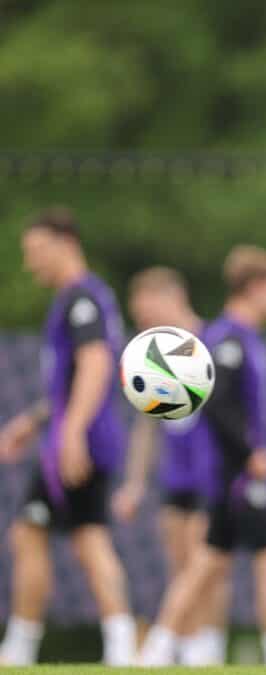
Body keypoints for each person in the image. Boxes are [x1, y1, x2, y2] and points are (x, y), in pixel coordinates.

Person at [137, 246, 266, 666]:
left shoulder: (243, 337)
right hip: (232, 472)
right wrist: (250, 453)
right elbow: (219, 404)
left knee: (208, 562)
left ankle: (162, 646)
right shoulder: (228, 338)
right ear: (256, 287)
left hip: (231, 471)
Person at [0, 207, 136, 665]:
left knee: (53, 535)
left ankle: (22, 647)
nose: (30, 262)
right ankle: (118, 644)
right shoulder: (78, 300)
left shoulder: (83, 299)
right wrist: (33, 421)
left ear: (65, 243)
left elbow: (96, 363)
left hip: (80, 442)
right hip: (71, 435)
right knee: (65, 535)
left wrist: (72, 432)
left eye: (36, 251)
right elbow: (69, 380)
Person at [112, 267, 230, 665]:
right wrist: (134, 483)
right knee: (180, 566)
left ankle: (207, 649)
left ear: (171, 297)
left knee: (205, 567)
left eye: (147, 311)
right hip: (175, 475)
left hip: (211, 473)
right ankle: (188, 645)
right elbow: (147, 425)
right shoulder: (150, 356)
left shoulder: (214, 342)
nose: (143, 321)